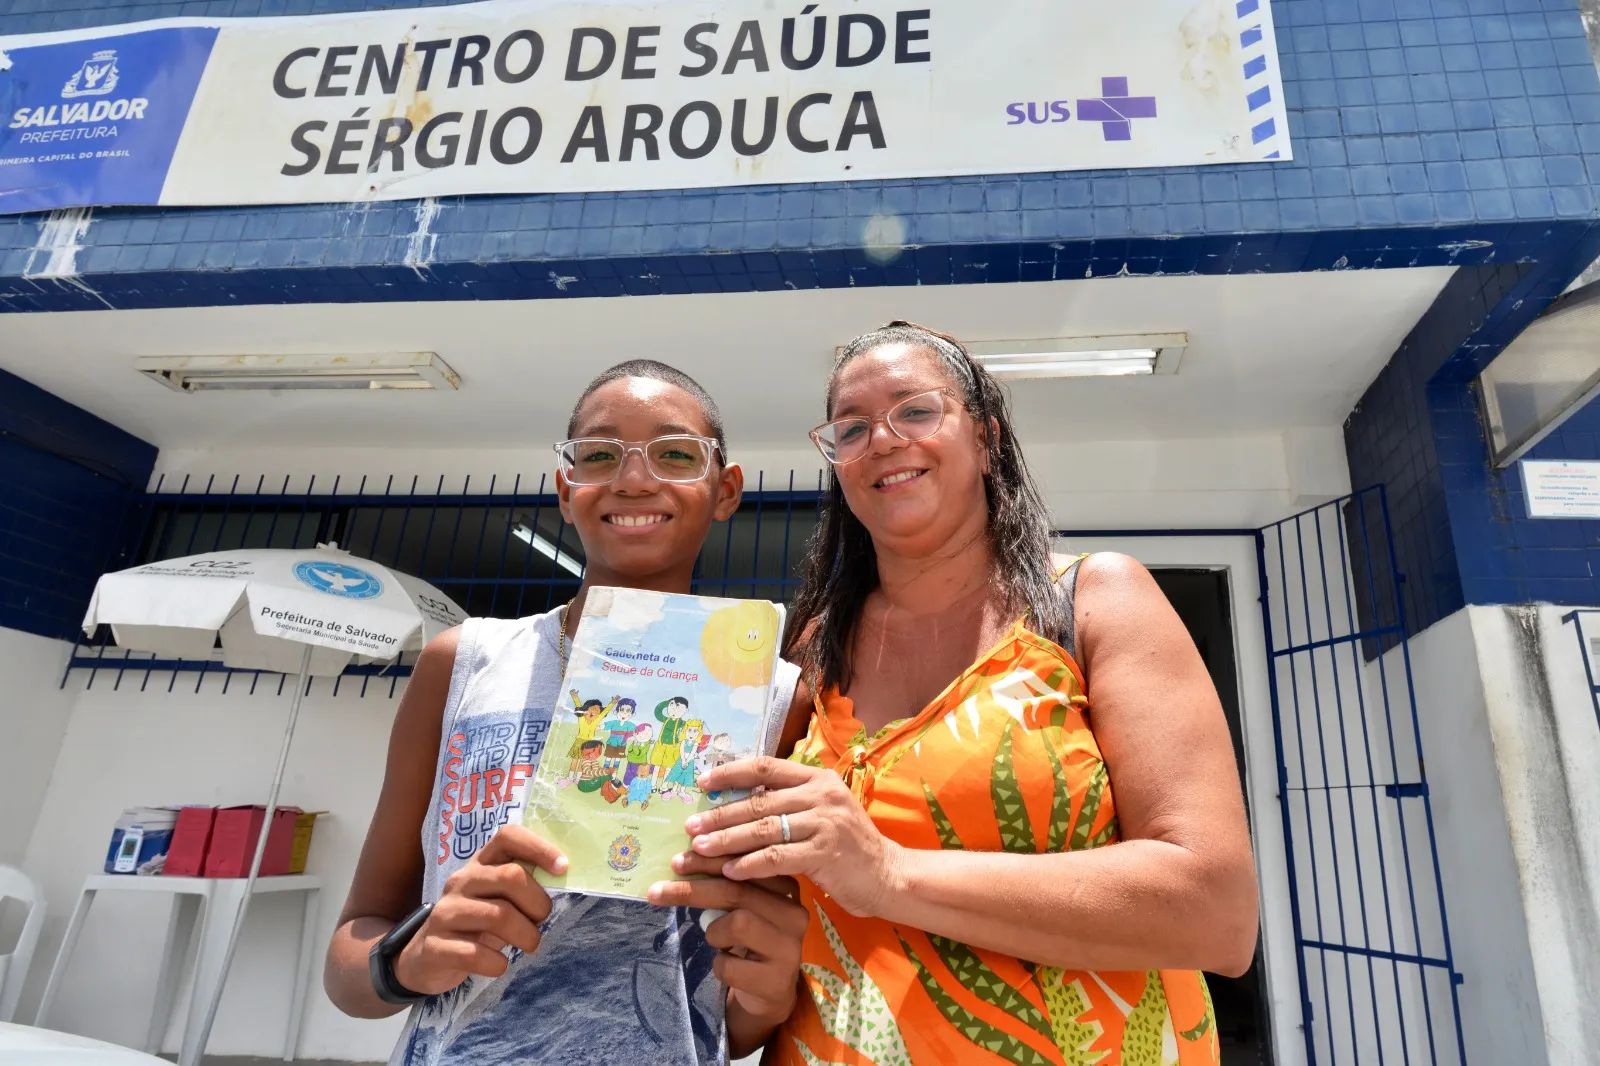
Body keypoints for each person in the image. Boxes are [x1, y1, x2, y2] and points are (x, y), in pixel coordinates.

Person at [679, 323, 1259, 1065]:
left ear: (985, 440)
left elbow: (1215, 913)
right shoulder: (814, 651)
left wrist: (891, 875)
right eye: (851, 429)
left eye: (916, 411)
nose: (883, 440)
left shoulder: (1093, 601)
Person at [324, 360, 810, 1066]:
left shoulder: (774, 699)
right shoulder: (463, 663)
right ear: (566, 487)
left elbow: (733, 1003)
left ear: (724, 490)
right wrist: (406, 959)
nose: (633, 479)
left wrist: (767, 1001)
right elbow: (354, 951)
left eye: (674, 454)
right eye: (599, 455)